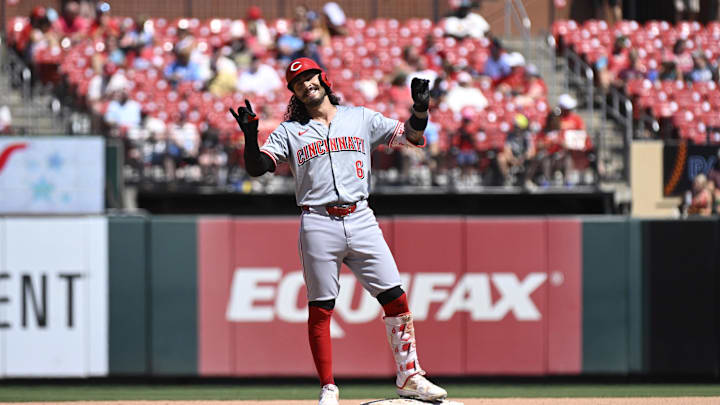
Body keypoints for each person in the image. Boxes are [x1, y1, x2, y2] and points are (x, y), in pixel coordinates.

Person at [229, 57, 448, 405]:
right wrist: (251, 136)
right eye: (297, 83)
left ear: (323, 78)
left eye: (309, 77)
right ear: (295, 93)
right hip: (317, 220)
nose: (305, 85)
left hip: (361, 215)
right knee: (321, 307)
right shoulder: (290, 131)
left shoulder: (359, 117)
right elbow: (257, 168)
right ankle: (328, 387)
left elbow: (411, 137)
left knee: (395, 297)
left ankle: (410, 376)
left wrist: (421, 109)